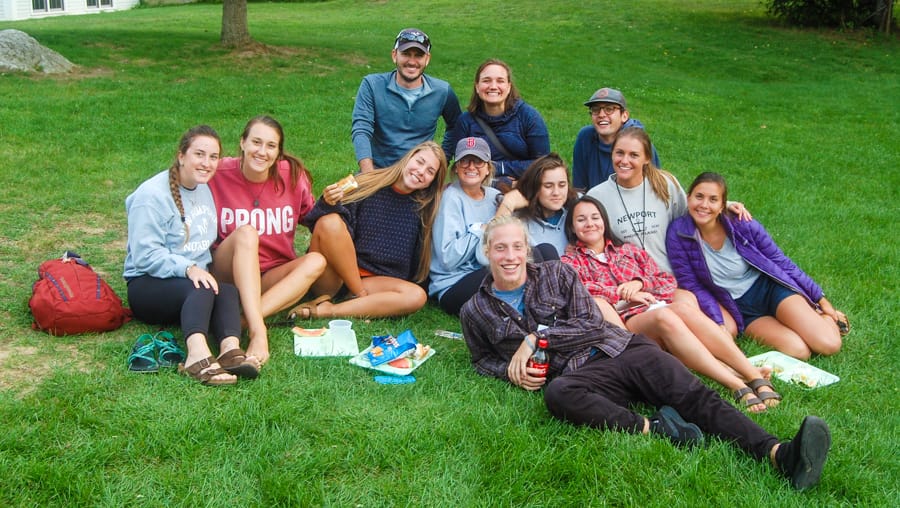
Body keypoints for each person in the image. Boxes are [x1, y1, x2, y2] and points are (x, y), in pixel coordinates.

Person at [460, 216, 832, 490]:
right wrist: (511, 370)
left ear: (526, 249)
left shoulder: (557, 273)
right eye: (500, 248)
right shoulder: (475, 310)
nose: (509, 256)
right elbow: (480, 359)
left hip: (620, 347)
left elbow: (591, 322)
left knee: (693, 394)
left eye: (516, 247)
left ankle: (779, 454)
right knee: (558, 395)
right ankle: (655, 427)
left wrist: (533, 342)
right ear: (487, 252)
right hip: (579, 375)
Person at [562, 196, 781, 412]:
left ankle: (750, 374)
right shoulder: (571, 261)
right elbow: (579, 292)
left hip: (659, 306)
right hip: (626, 321)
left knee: (680, 309)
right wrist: (624, 294)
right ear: (572, 226)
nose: (590, 223)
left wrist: (640, 283)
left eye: (595, 217)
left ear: (604, 221)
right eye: (581, 219)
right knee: (665, 316)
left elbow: (667, 281)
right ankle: (736, 384)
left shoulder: (628, 250)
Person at [124, 125, 257, 386]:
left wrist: (198, 271)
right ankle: (197, 356)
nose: (206, 163)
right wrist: (188, 269)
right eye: (199, 154)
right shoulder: (150, 196)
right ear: (181, 155)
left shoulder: (201, 188)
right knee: (202, 287)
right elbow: (144, 255)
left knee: (227, 291)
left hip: (189, 282)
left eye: (213, 157)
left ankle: (230, 351)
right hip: (146, 285)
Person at [667, 172, 846, 359]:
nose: (704, 205)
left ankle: (822, 316)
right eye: (699, 197)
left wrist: (821, 299)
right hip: (740, 308)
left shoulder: (742, 224)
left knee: (829, 344)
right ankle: (802, 320)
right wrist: (719, 322)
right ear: (688, 198)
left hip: (770, 291)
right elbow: (692, 285)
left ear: (722, 205)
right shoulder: (678, 234)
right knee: (799, 351)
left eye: (713, 199)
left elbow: (780, 261)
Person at [208, 116, 326, 366]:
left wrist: (334, 204)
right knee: (247, 233)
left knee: (316, 261)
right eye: (256, 142)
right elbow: (181, 179)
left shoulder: (292, 176)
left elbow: (312, 218)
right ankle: (258, 332)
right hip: (228, 272)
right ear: (242, 142)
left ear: (278, 152)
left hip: (270, 276)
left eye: (271, 146)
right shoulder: (217, 173)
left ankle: (242, 320)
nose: (262, 152)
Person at [290, 141, 448, 319]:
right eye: (420, 162)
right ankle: (360, 298)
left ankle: (329, 310)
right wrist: (327, 202)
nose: (421, 171)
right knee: (330, 222)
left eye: (430, 171)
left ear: (432, 182)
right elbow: (318, 224)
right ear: (408, 158)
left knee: (417, 296)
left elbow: (419, 261)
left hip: (376, 282)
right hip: (337, 275)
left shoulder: (424, 211)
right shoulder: (367, 182)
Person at [585, 126, 751, 276]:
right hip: (632, 283)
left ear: (647, 158)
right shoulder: (597, 197)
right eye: (619, 153)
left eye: (634, 155)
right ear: (612, 154)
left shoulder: (664, 184)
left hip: (675, 277)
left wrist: (725, 206)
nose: (625, 161)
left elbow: (691, 211)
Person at [351, 28, 461, 173]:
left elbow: (457, 126)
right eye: (406, 54)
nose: (412, 61)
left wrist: (442, 161)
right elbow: (361, 129)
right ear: (394, 55)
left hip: (418, 175)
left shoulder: (442, 91)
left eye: (419, 55)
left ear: (427, 59)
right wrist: (368, 175)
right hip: (378, 170)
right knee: (334, 195)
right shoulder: (372, 85)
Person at [445, 58, 550, 189]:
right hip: (478, 190)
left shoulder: (529, 117)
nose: (493, 86)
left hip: (523, 189)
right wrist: (503, 183)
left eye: (500, 81)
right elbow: (462, 167)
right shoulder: (465, 122)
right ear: (477, 87)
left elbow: (543, 164)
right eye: (486, 81)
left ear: (509, 86)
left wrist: (499, 168)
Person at [429, 137, 503, 315]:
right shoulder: (451, 198)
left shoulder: (496, 196)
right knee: (507, 269)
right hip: (454, 284)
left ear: (487, 168)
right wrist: (482, 229)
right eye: (464, 161)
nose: (471, 167)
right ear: (456, 167)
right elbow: (448, 259)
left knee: (542, 252)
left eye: (478, 161)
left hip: (486, 271)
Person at [572, 87, 660, 191]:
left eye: (609, 109)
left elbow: (654, 187)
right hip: (593, 203)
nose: (601, 115)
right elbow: (579, 187)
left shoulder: (639, 144)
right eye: (595, 109)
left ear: (624, 115)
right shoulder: (585, 137)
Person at [498, 153, 576, 259]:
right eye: (548, 186)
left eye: (562, 185)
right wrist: (507, 205)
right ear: (534, 187)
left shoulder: (579, 208)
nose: (556, 192)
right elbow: (485, 256)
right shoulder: (517, 220)